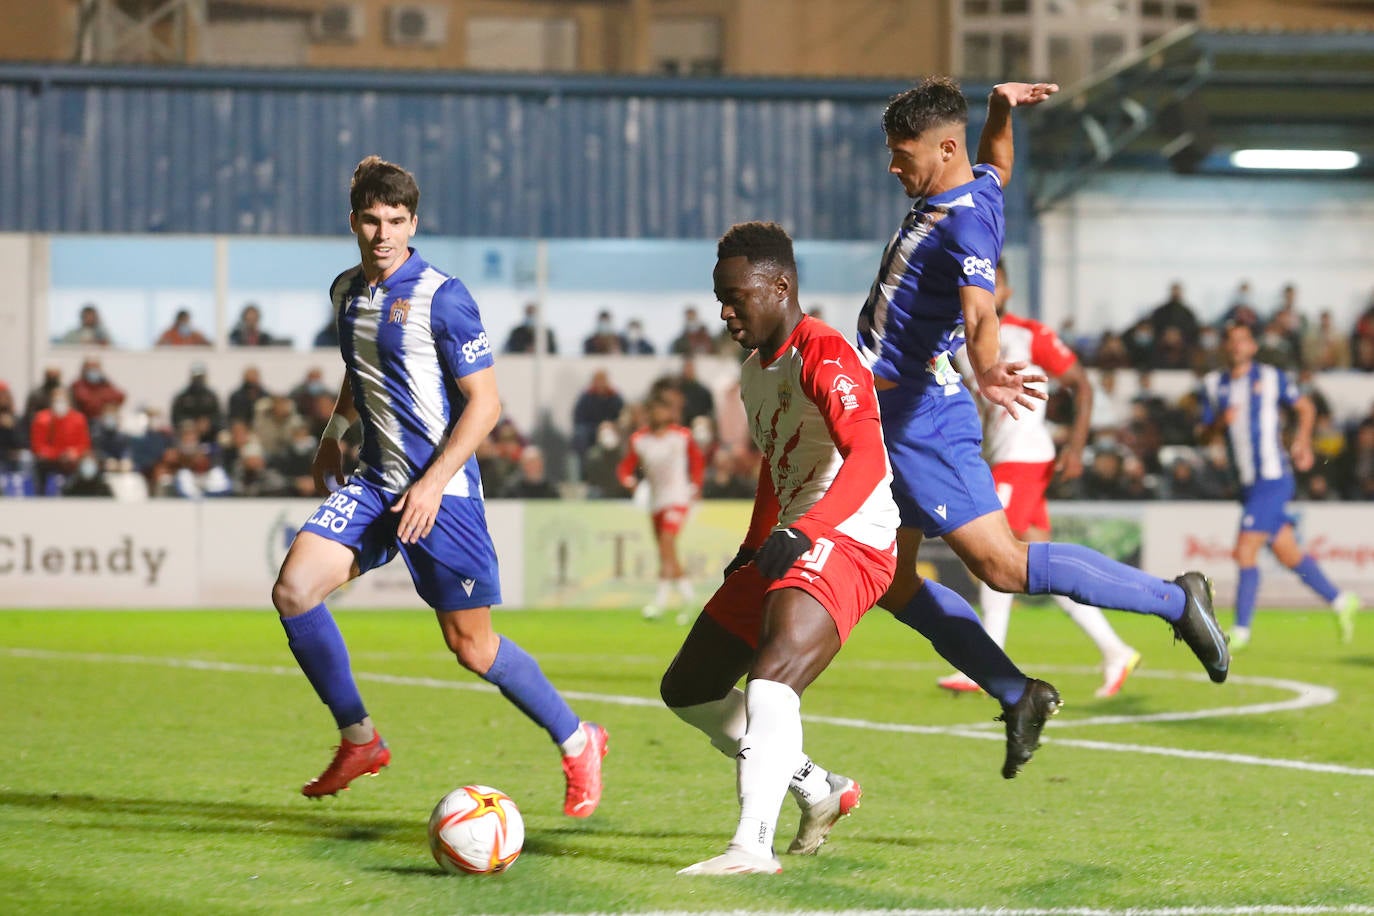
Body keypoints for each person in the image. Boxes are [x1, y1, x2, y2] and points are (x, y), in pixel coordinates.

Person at [854, 77, 1228, 745]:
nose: (892, 166)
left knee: (1003, 566)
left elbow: (979, 311)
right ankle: (1016, 691)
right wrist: (1000, 109)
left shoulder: (965, 222)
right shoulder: (980, 189)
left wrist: (988, 364)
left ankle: (1177, 600)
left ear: (943, 148)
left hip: (918, 420)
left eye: (900, 152)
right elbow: (998, 159)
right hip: (892, 418)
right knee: (892, 578)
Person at [270, 156, 607, 814]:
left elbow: (485, 404)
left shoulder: (442, 296)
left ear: (413, 223)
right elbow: (357, 368)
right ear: (353, 222)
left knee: (472, 647)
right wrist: (335, 431)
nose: (382, 233)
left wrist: (431, 484)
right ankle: (360, 739)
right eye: (371, 220)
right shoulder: (346, 291)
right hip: (374, 484)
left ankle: (578, 739)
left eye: (395, 221)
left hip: (440, 495)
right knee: (293, 590)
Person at [663, 222, 897, 875]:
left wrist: (808, 530)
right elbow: (777, 464)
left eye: (736, 296)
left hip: (850, 537)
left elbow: (869, 458)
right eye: (720, 296)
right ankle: (818, 789)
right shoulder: (753, 374)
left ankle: (750, 847)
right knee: (689, 687)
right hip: (791, 534)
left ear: (781, 286)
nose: (724, 310)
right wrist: (754, 542)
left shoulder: (823, 352)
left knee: (770, 681)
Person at [938, 263, 1141, 700]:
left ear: (1008, 289)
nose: (985, 290)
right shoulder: (962, 345)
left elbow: (1081, 385)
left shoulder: (1031, 334)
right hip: (1003, 458)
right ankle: (1115, 650)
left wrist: (1076, 447)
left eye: (993, 282)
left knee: (993, 553)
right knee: (1042, 570)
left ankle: (983, 665)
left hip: (1024, 458)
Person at [1196, 322, 1360, 649]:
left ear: (1253, 346)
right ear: (1226, 348)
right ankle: (1342, 601)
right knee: (1287, 552)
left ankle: (1240, 630)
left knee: (1245, 550)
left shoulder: (1271, 378)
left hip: (1273, 478)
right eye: (1232, 341)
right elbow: (1202, 433)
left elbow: (1306, 407)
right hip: (1245, 484)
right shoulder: (1214, 385)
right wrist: (1218, 423)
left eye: (1244, 340)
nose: (1238, 346)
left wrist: (1301, 441)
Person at [617, 392, 705, 622]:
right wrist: (629, 481)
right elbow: (626, 467)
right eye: (653, 410)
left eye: (661, 409)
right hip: (655, 502)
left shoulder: (681, 437)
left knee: (667, 543)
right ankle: (689, 599)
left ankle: (660, 603)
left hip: (677, 498)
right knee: (667, 552)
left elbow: (697, 461)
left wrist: (696, 485)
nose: (657, 414)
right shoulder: (640, 440)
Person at [29, 390, 91, 495]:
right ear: (51, 402)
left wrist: (75, 452)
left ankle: (81, 495)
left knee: (88, 466)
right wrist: (58, 454)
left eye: (63, 400)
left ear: (69, 402)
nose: (60, 403)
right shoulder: (41, 419)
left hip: (72, 460)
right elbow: (38, 446)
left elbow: (84, 444)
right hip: (51, 460)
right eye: (57, 400)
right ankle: (40, 495)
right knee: (39, 465)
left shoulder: (79, 419)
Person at [170, 363, 224, 443]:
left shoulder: (211, 397)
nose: (198, 380)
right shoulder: (182, 397)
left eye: (200, 377)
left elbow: (219, 416)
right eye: (196, 377)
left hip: (210, 434)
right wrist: (192, 424)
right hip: (188, 434)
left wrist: (208, 423)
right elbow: (176, 418)